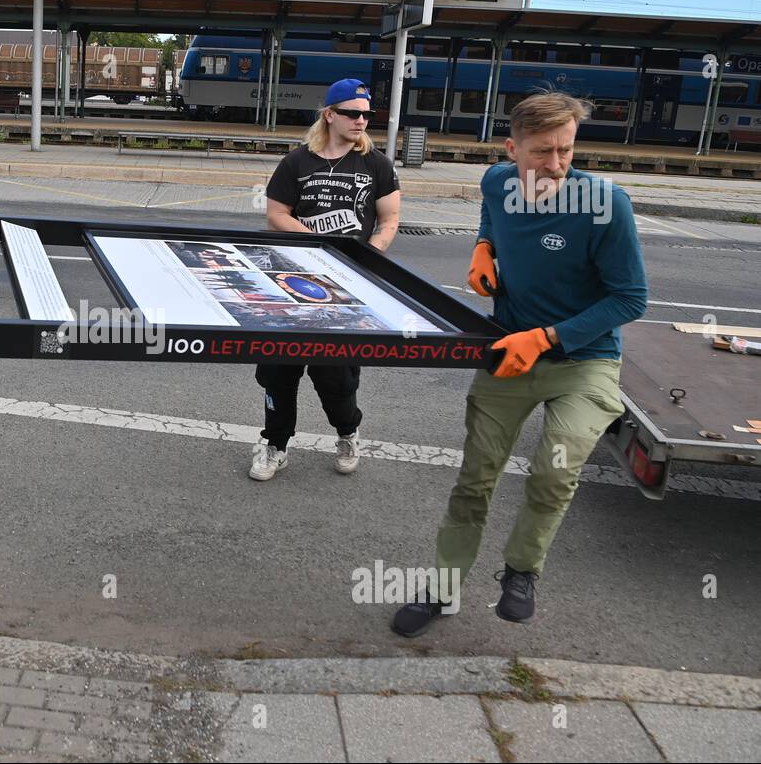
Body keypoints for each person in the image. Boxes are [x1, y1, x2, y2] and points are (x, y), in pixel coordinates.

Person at [392, 91, 647, 637]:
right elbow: (491, 213)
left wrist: (548, 337)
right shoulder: (496, 183)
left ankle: (521, 571)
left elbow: (630, 300)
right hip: (509, 352)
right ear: (513, 149)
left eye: (566, 151)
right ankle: (441, 588)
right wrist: (482, 247)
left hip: (585, 360)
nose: (555, 165)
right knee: (474, 478)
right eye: (542, 153)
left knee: (554, 472)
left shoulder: (606, 204)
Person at [250, 78, 401, 481]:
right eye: (353, 113)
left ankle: (348, 431)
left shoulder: (376, 164)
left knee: (336, 376)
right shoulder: (297, 162)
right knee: (279, 371)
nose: (361, 121)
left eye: (367, 114)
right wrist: (318, 241)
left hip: (345, 289)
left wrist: (370, 251)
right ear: (329, 115)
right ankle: (275, 444)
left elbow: (389, 219)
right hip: (288, 283)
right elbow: (276, 215)